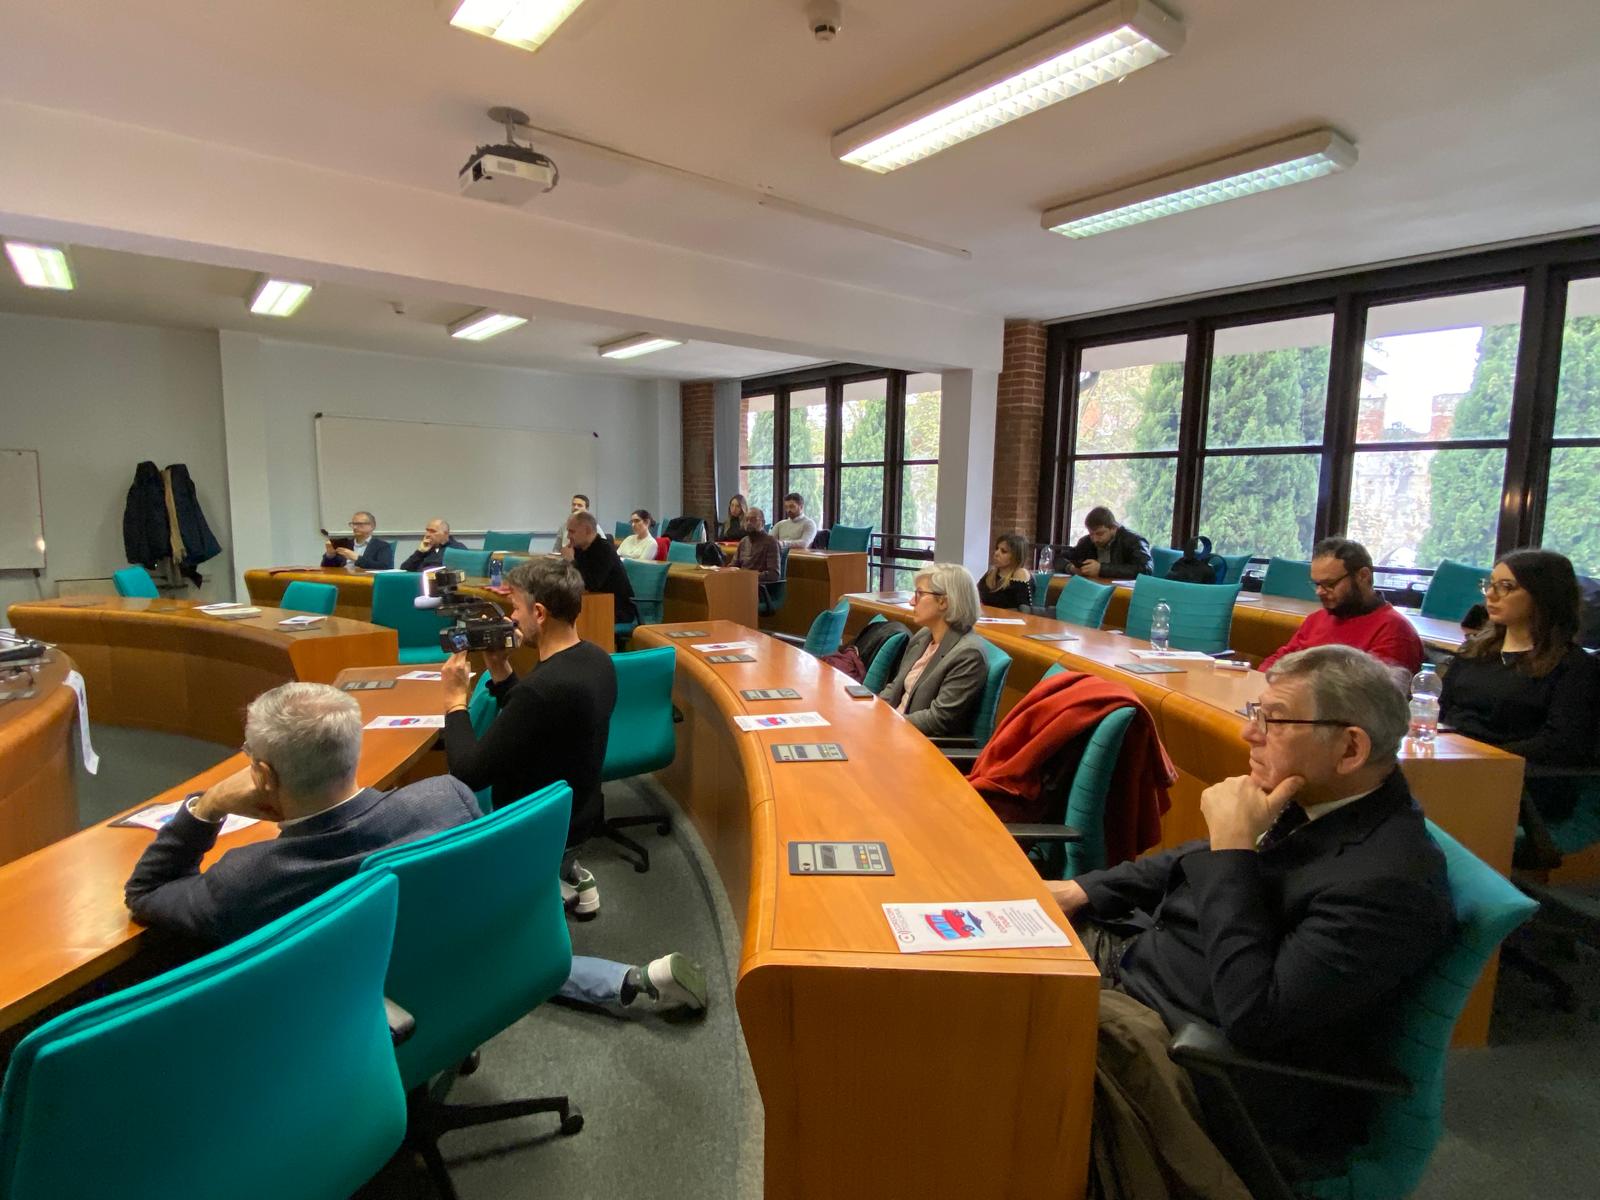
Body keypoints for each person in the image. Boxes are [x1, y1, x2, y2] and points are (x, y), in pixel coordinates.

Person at [1049, 645, 1455, 1187]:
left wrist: (1235, 850)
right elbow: (1195, 858)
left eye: (1274, 720)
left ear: (1350, 748)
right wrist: (1081, 889)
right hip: (1136, 971)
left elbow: (1254, 1016)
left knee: (972, 1039)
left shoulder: (1389, 882)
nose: (1249, 734)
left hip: (1192, 1068)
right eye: (1255, 714)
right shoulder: (1319, 800)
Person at [124, 681, 702, 1016]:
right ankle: (628, 978)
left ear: (263, 776)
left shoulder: (248, 877)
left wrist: (207, 806)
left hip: (358, 1007)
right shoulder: (444, 798)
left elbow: (146, 890)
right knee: (480, 949)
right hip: (460, 957)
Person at [439, 558, 707, 1011]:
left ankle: (638, 981)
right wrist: (501, 671)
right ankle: (566, 880)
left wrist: (454, 702)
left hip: (533, 834)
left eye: (515, 610)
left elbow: (468, 772)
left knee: (503, 957)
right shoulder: (596, 661)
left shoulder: (543, 689)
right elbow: (537, 722)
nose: (511, 620)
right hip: (579, 816)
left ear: (539, 613)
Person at [1440, 549, 1600, 811]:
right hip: (1452, 761)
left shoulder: (1573, 666)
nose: (1491, 595)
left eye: (1506, 587)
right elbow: (1441, 708)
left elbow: (1560, 744)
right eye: (1490, 584)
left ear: (1543, 595)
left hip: (1518, 781)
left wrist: (1479, 755)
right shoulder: (1474, 650)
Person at [1259, 537, 1424, 674]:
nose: (1319, 592)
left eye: (1329, 584)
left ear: (1363, 576)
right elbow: (1279, 660)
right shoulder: (1316, 619)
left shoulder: (1394, 630)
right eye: (1317, 584)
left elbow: (1372, 694)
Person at [879, 562, 989, 737]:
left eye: (920, 594)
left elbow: (938, 719)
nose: (912, 601)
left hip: (917, 740)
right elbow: (895, 688)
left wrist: (888, 723)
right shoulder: (923, 636)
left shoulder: (968, 654)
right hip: (894, 729)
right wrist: (871, 710)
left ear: (943, 602)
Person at [562, 510, 637, 623]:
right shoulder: (578, 549)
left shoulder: (604, 549)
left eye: (572, 531)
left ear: (587, 530)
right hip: (594, 604)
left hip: (616, 608)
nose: (568, 536)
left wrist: (571, 561)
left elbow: (591, 584)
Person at [1064, 506, 1152, 580]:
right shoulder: (1087, 541)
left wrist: (1101, 569)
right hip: (1095, 587)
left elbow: (1145, 569)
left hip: (1123, 592)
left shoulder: (1134, 541)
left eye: (1100, 534)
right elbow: (1061, 558)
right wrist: (1071, 568)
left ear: (1113, 528)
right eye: (1091, 534)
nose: (1094, 539)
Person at [320, 510, 394, 570]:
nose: (355, 527)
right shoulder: (345, 544)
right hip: (343, 578)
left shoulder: (382, 546)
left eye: (359, 524)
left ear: (372, 526)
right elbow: (326, 568)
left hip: (365, 580)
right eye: (353, 524)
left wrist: (357, 558)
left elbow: (385, 567)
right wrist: (330, 555)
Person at [977, 532, 1032, 609]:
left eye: (1004, 551)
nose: (996, 553)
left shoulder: (1020, 574)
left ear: (1016, 556)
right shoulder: (991, 573)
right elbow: (975, 595)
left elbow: (1023, 609)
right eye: (997, 549)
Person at [732, 506, 781, 583]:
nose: (749, 523)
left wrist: (748, 576)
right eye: (746, 520)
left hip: (759, 585)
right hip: (741, 583)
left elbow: (774, 574)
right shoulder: (743, 541)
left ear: (763, 523)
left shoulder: (771, 542)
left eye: (753, 520)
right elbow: (733, 566)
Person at [399, 517, 466, 572]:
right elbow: (404, 569)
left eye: (433, 531)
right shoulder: (427, 549)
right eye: (427, 531)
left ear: (445, 534)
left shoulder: (457, 549)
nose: (427, 535)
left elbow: (438, 568)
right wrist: (420, 552)